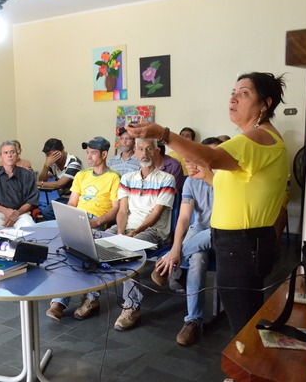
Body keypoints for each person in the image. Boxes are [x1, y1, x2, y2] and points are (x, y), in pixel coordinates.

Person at [126, 72, 289, 335]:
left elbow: (210, 156)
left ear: (265, 103)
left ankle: (246, 374)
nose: (233, 98)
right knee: (246, 318)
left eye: (244, 93)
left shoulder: (257, 138)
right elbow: (239, 187)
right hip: (241, 244)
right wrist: (209, 176)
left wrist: (164, 134)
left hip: (242, 245)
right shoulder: (260, 139)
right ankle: (246, 371)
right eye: (233, 92)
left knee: (244, 324)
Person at [152, 137, 222, 346]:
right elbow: (184, 218)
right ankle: (193, 320)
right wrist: (175, 246)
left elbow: (221, 225)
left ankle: (165, 264)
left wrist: (174, 252)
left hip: (221, 232)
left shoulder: (227, 180)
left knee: (204, 240)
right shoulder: (192, 181)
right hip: (199, 231)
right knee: (198, 259)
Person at [46, 136, 120, 321]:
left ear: (104, 154)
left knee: (86, 253)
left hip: (96, 220)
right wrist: (67, 218)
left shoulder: (113, 177)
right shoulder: (81, 175)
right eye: (87, 152)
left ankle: (91, 298)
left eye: (93, 153)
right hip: (77, 218)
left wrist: (96, 222)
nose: (88, 156)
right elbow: (72, 203)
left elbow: (116, 208)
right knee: (62, 251)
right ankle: (59, 301)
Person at [106, 138, 176, 331]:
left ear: (156, 152)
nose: (144, 153)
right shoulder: (127, 178)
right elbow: (122, 210)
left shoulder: (166, 179)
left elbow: (156, 214)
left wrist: (133, 233)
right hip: (126, 227)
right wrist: (120, 233)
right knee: (96, 238)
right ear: (135, 153)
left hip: (153, 231)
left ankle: (132, 306)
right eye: (140, 149)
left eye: (149, 149)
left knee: (127, 250)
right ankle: (91, 297)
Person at [0, 140, 39, 230]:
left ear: (17, 155)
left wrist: (16, 213)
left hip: (21, 213)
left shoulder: (27, 175)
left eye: (12, 152)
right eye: (5, 153)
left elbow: (31, 201)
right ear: (0, 157)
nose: (9, 155)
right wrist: (6, 211)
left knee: (30, 230)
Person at [36, 138, 82, 221]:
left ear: (62, 150)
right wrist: (46, 165)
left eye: (54, 155)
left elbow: (60, 184)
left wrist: (37, 183)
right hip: (64, 198)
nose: (52, 158)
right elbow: (42, 179)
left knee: (49, 212)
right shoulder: (53, 163)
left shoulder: (74, 162)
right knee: (47, 212)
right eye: (48, 156)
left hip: (77, 198)